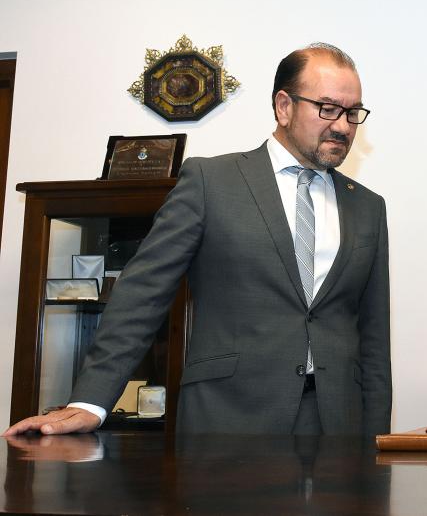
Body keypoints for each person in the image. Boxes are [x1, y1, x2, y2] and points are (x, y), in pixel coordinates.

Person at [4, 43, 391, 436]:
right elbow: (142, 294)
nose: (343, 126)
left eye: (353, 112)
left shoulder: (369, 208)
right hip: (229, 419)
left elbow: (375, 337)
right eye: (327, 108)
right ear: (284, 106)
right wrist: (91, 401)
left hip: (339, 425)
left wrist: (378, 438)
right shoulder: (210, 182)